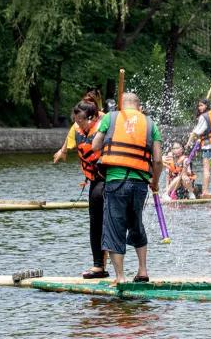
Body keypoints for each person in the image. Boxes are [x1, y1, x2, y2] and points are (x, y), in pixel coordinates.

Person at [92, 92, 162, 284]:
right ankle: (143, 271)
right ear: (139, 107)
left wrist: (109, 138)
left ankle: (120, 277)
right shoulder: (150, 124)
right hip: (140, 183)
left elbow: (94, 145)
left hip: (115, 182)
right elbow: (157, 160)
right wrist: (155, 182)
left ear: (121, 106)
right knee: (136, 223)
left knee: (115, 227)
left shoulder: (110, 117)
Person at [71, 100, 108, 279]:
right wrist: (62, 151)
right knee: (95, 223)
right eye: (76, 120)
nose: (78, 123)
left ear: (92, 118)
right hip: (93, 179)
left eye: (81, 120)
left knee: (106, 222)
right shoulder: (78, 129)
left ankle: (106, 266)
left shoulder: (103, 128)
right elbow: (70, 140)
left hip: (108, 177)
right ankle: (98, 266)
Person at [185, 98, 211, 197]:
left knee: (207, 170)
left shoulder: (203, 117)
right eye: (199, 106)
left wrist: (188, 143)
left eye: (201, 105)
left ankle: (205, 191)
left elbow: (196, 132)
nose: (199, 108)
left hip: (208, 147)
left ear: (206, 106)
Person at [53, 89, 103, 164]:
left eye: (81, 123)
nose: (79, 126)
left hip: (105, 170)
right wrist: (63, 151)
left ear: (91, 118)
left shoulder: (105, 122)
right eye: (77, 122)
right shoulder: (78, 124)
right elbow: (70, 135)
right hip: (89, 170)